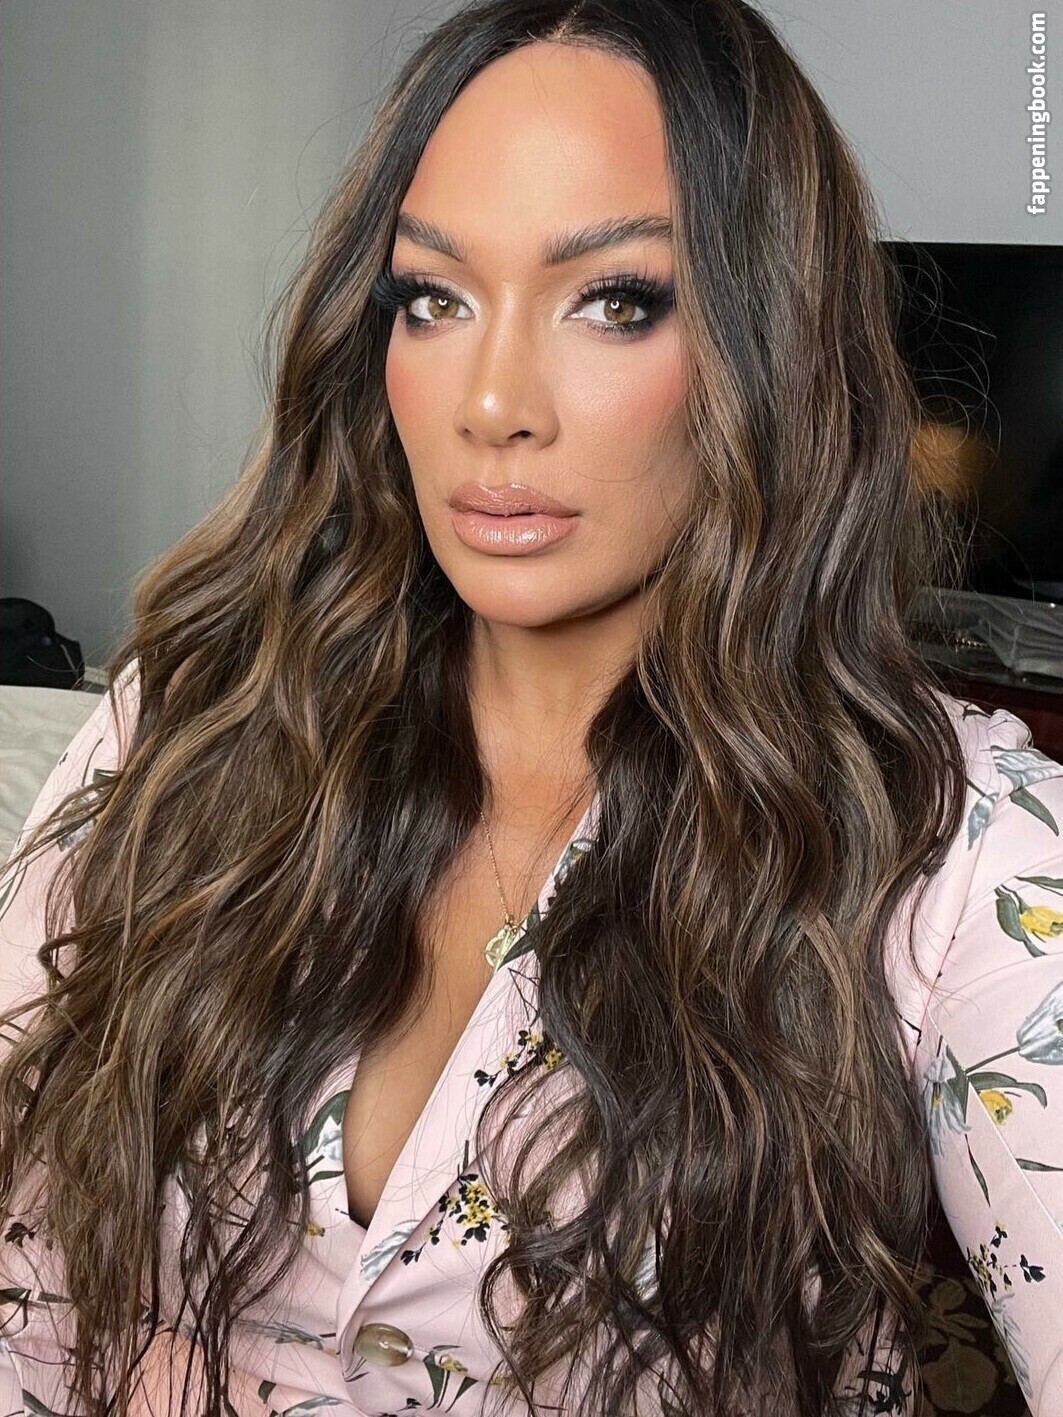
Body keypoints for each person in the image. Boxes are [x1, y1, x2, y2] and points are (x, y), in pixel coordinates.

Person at [2, 1, 1062, 1414]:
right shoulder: (193, 715)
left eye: (616, 300)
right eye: (433, 299)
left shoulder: (956, 852)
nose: (492, 402)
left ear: (775, 345)